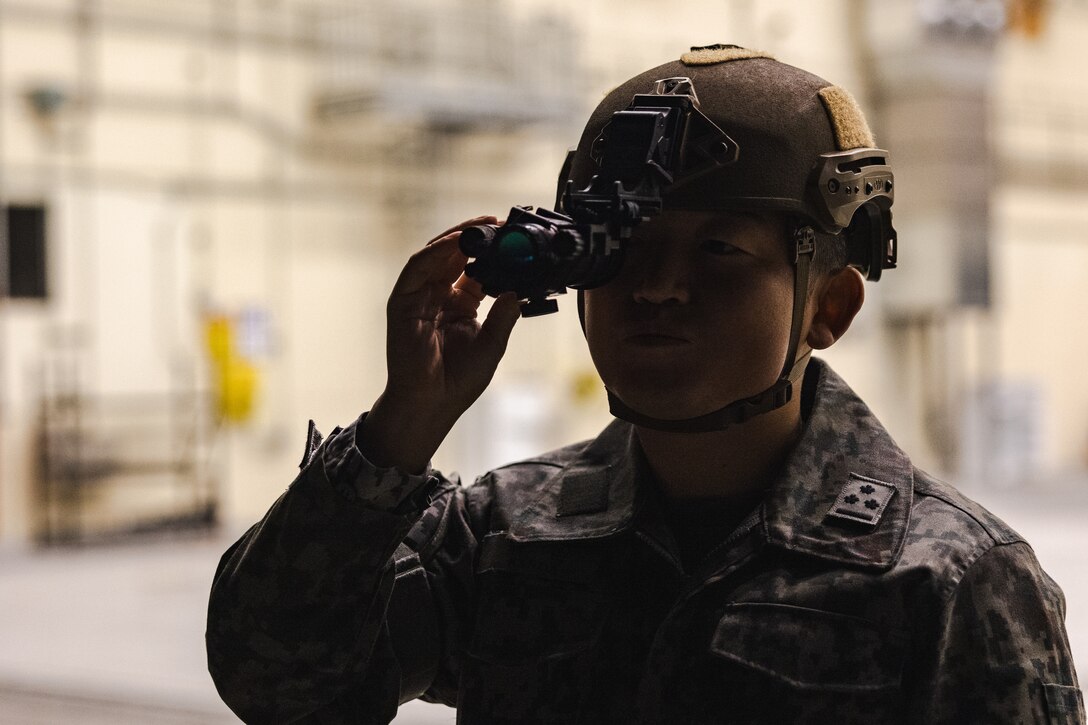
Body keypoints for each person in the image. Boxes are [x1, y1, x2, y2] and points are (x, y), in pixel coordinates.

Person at [206, 45, 1083, 724]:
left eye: (720, 251)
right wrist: (402, 427)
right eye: (623, 248)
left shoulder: (951, 581)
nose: (658, 286)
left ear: (830, 306)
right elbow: (278, 681)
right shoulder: (506, 534)